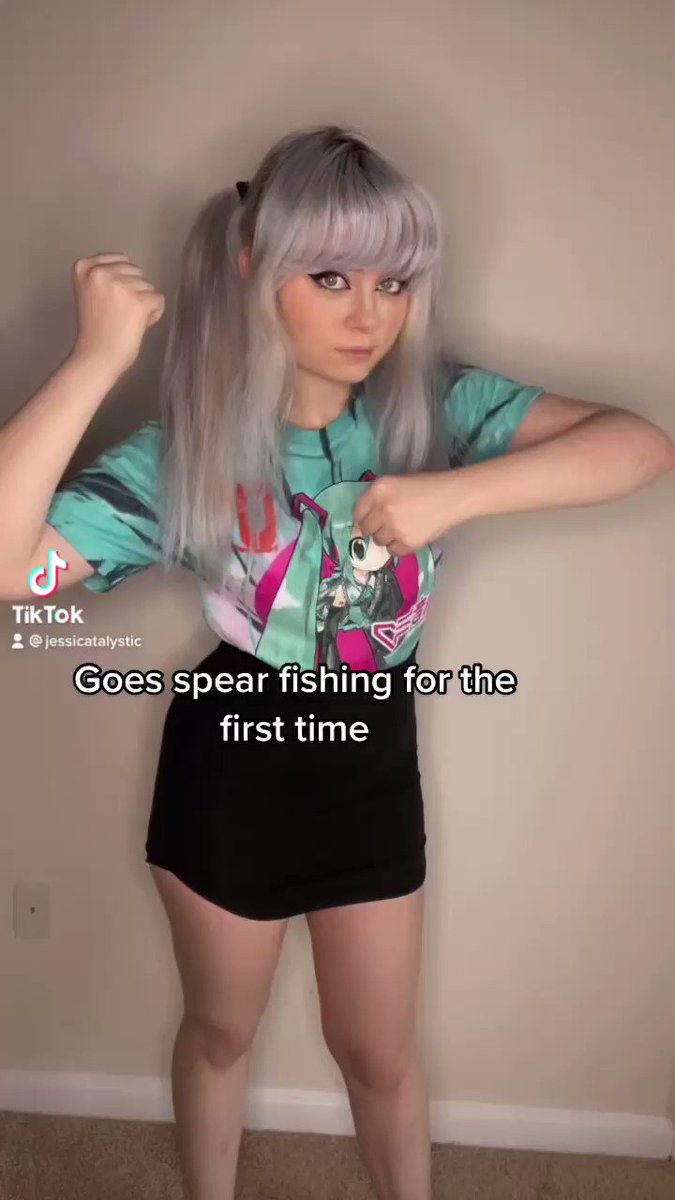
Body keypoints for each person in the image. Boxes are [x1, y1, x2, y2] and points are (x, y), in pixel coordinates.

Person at [1, 123, 673, 1200]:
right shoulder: (188, 452)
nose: (370, 314)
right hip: (233, 764)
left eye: (393, 281)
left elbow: (641, 446)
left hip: (370, 764)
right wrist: (94, 363)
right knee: (221, 1033)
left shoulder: (435, 411)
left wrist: (454, 494)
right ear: (250, 268)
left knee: (380, 1055)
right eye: (330, 277)